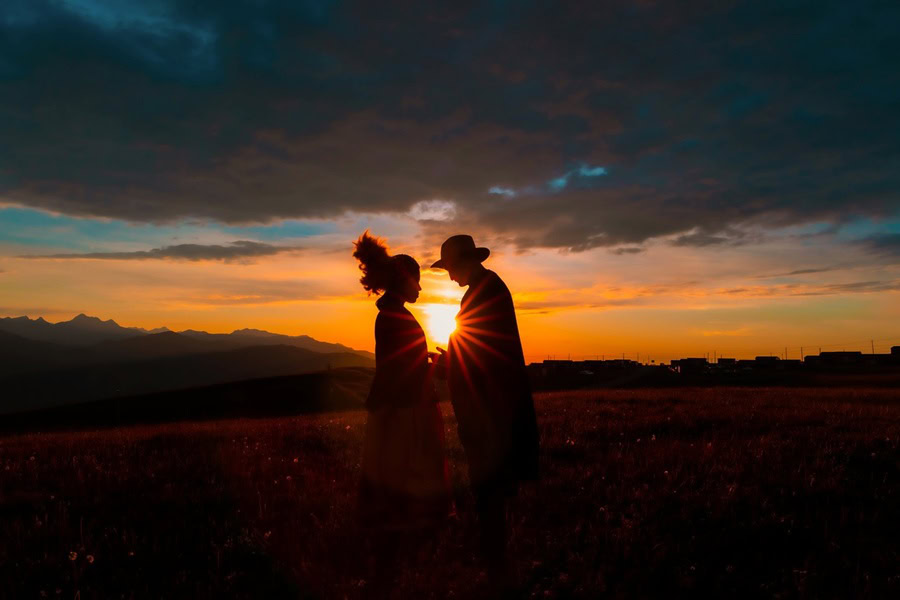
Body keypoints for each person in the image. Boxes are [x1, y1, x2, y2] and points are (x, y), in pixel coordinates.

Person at [431, 234, 540, 583]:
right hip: (494, 406)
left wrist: (444, 364)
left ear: (464, 262)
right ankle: (497, 560)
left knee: (488, 484)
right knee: (493, 485)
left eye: (449, 268)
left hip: (490, 411)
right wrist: (449, 358)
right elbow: (475, 344)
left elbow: (474, 348)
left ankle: (496, 565)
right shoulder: (488, 288)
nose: (448, 276)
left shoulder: (482, 292)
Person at [352, 231, 451, 595]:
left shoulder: (394, 314)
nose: (421, 290)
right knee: (403, 473)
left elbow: (401, 363)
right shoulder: (396, 317)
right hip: (402, 411)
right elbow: (401, 370)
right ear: (404, 281)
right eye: (418, 283)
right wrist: (438, 366)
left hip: (397, 408)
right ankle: (395, 551)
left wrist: (427, 361)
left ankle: (394, 549)